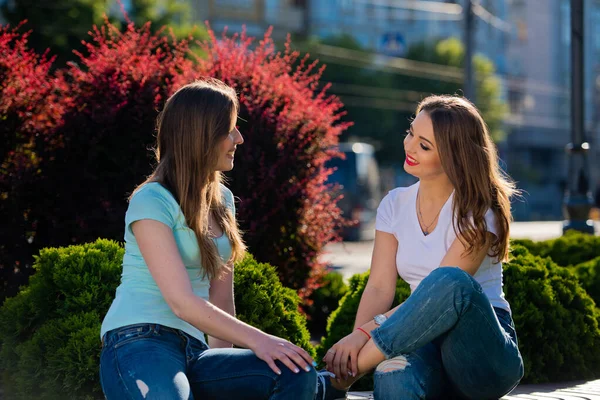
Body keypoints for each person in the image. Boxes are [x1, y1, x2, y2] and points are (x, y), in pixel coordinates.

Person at [99, 79, 317, 400]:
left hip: (194, 351)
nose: (239, 139)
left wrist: (224, 367)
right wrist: (260, 339)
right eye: (230, 129)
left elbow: (221, 301)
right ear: (201, 135)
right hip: (138, 342)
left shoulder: (223, 200)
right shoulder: (151, 200)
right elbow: (181, 301)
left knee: (293, 372)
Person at [319, 95, 524, 400]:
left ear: (453, 157)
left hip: (482, 353)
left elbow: (441, 291)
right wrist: (353, 338)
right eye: (411, 133)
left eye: (424, 145)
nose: (410, 146)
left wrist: (361, 342)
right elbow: (378, 288)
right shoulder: (394, 204)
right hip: (421, 336)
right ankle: (342, 377)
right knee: (393, 376)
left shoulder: (479, 212)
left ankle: (336, 380)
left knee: (449, 281)